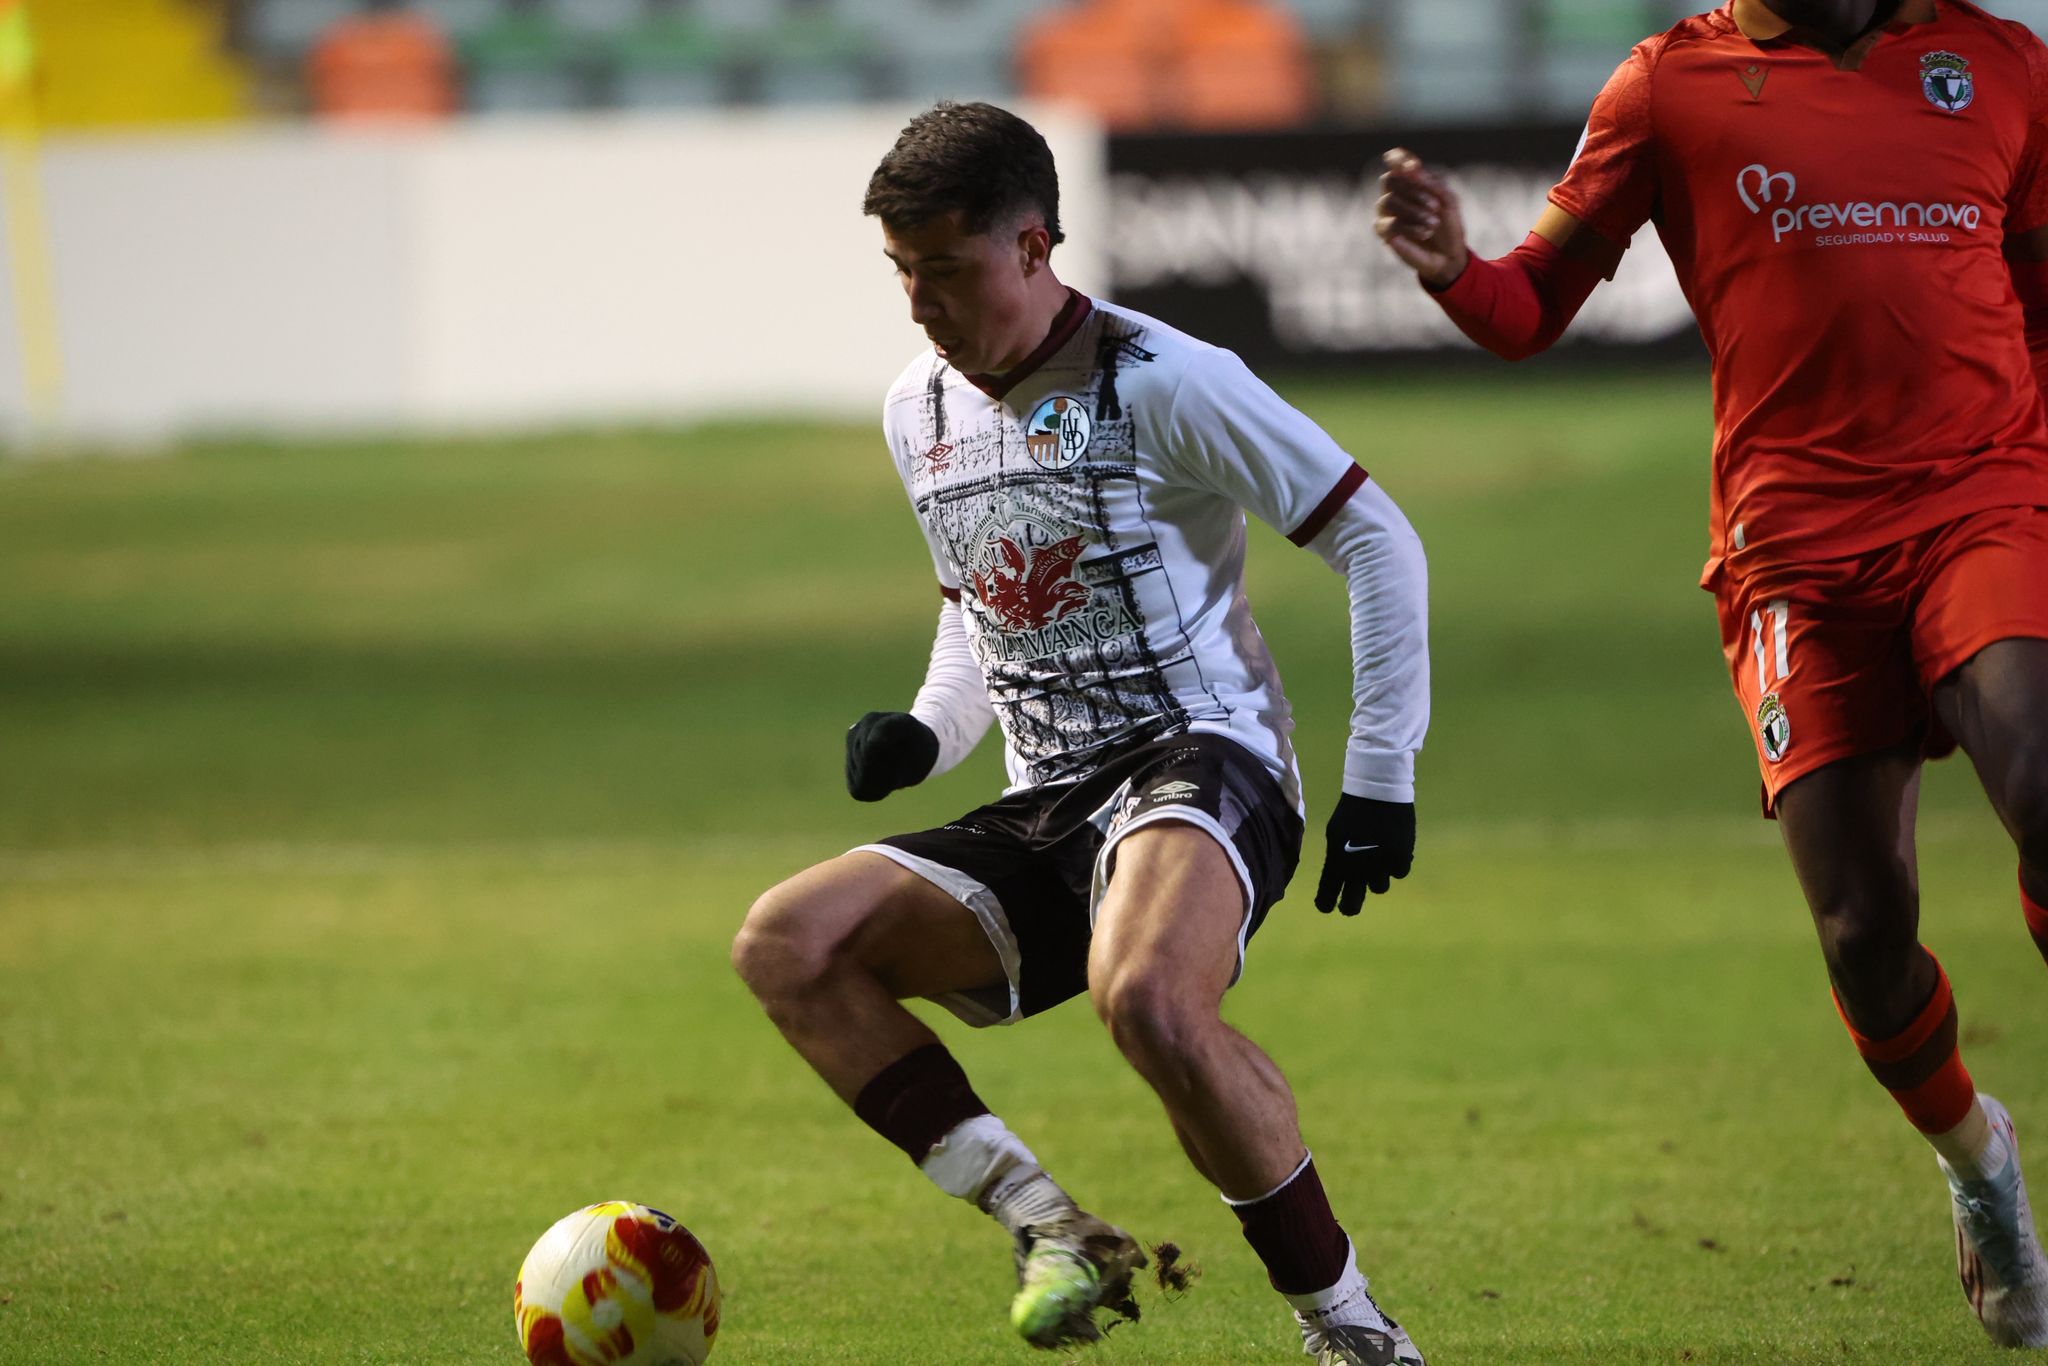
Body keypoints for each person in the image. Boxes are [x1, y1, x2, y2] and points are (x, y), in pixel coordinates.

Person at [1375, 0, 2048, 1348]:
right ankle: (1980, 1165)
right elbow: (1526, 311)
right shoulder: (1669, 85)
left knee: (2045, 775)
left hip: (1985, 500)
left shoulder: (2004, 65)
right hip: (1794, 551)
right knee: (1864, 931)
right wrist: (1454, 266)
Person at [731, 101, 1431, 1365]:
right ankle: (1050, 1224)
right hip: (1045, 800)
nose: (917, 303)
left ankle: (1352, 1334)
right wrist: (926, 733)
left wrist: (1377, 774)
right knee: (787, 941)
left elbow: (1374, 538)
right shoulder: (918, 409)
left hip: (1201, 754)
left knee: (1149, 1000)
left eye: (943, 268)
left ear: (1034, 244)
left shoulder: (1164, 379)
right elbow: (975, 611)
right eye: (900, 271)